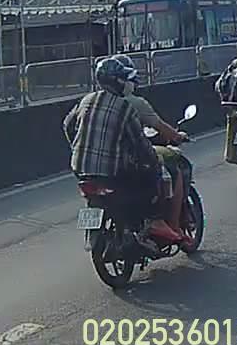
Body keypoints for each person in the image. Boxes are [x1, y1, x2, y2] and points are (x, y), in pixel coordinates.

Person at [63, 57, 183, 243]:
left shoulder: (86, 100)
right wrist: (152, 161)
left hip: (80, 169)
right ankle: (154, 218)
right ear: (119, 82)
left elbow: (68, 125)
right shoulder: (125, 107)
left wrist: (76, 146)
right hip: (111, 172)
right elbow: (140, 144)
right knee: (154, 170)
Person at [114, 55, 192, 242]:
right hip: (131, 159)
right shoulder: (134, 103)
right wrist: (177, 136)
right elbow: (159, 126)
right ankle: (172, 224)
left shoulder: (92, 102)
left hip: (100, 166)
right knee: (174, 166)